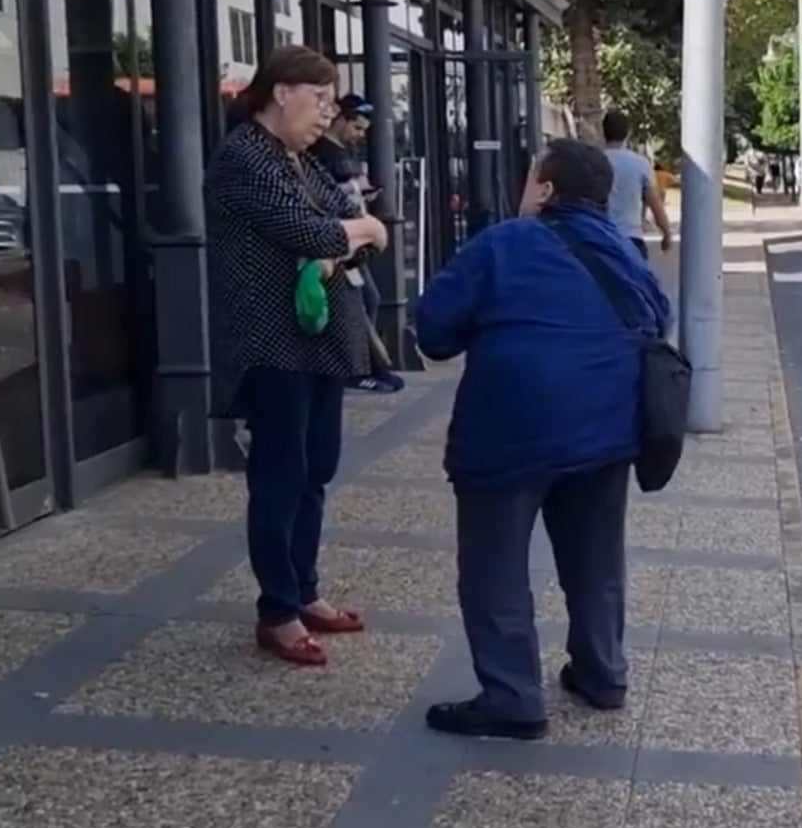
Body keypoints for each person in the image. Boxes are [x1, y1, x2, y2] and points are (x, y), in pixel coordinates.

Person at [414, 137, 671, 741]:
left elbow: (433, 331)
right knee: (596, 561)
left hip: (508, 433)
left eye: (531, 179)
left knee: (494, 565)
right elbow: (660, 319)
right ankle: (602, 673)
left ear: (546, 190)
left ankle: (512, 698)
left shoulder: (503, 242)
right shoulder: (625, 253)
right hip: (607, 433)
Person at [206, 44, 389, 667]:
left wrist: (351, 235)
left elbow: (354, 222)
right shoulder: (244, 158)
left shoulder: (302, 159)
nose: (326, 115)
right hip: (270, 342)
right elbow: (318, 231)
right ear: (281, 92)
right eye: (319, 100)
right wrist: (352, 234)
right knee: (280, 477)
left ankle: (305, 589)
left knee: (317, 469)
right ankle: (277, 610)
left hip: (319, 342)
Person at [307, 93, 404, 394]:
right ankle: (358, 367)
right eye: (357, 128)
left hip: (348, 240)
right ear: (340, 119)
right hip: (338, 243)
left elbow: (351, 193)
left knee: (365, 299)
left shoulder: (338, 154)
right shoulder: (323, 153)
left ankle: (364, 365)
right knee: (362, 300)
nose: (360, 136)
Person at [600, 109, 673, 259]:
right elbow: (655, 203)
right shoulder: (640, 164)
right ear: (628, 133)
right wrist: (666, 233)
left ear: (603, 131)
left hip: (600, 237)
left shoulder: (593, 161)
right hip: (631, 240)